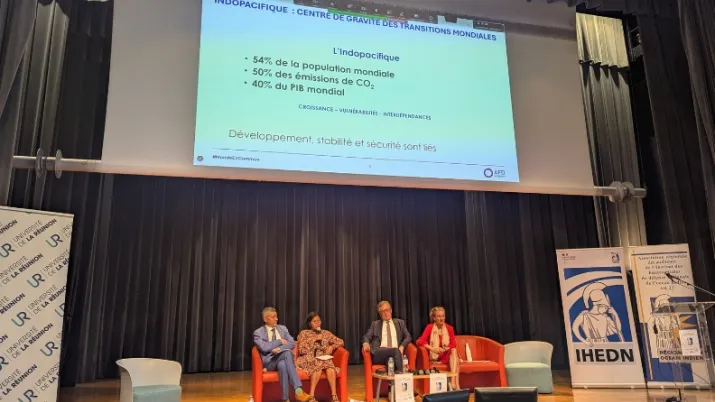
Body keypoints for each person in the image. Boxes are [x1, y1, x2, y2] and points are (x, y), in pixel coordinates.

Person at [253, 307, 311, 402]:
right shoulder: (258, 333)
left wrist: (279, 349)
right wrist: (279, 341)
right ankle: (298, 391)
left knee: (283, 365)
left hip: (283, 358)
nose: (276, 319)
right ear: (265, 319)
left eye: (276, 316)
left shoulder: (283, 329)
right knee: (287, 353)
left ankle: (285, 399)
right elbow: (264, 347)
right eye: (273, 317)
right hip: (270, 362)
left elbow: (292, 343)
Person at [296, 312, 345, 402]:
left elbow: (341, 341)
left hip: (322, 358)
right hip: (307, 357)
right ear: (310, 324)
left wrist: (332, 346)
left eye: (318, 321)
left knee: (328, 363)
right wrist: (314, 339)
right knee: (319, 362)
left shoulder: (326, 333)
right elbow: (302, 350)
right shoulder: (304, 333)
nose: (317, 323)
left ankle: (334, 396)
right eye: (314, 321)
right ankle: (311, 396)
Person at [416, 306, 460, 389]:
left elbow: (453, 343)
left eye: (443, 316)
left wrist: (444, 349)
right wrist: (433, 349)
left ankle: (453, 380)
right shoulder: (429, 327)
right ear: (434, 318)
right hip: (434, 356)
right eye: (439, 316)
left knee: (453, 350)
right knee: (456, 361)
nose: (441, 318)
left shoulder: (449, 328)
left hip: (445, 355)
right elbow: (420, 341)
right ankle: (456, 386)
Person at [361, 301, 412, 373]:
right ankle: (401, 376)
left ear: (391, 310)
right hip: (379, 353)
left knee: (390, 361)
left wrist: (402, 346)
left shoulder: (400, 323)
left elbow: (408, 336)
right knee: (395, 351)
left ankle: (392, 379)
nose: (385, 313)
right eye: (382, 311)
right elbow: (366, 336)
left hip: (395, 355)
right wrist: (365, 343)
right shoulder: (375, 324)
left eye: (387, 310)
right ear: (380, 314)